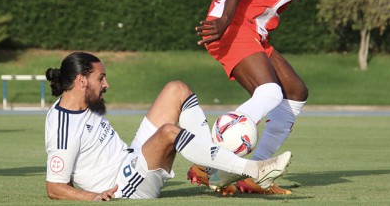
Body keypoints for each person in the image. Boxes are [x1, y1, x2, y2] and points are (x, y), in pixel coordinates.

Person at [189, 0, 360, 195]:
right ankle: (206, 165)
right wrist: (225, 19)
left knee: (295, 92)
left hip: (253, 31)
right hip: (233, 26)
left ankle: (253, 174)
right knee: (270, 93)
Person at [44, 52, 292, 200]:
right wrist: (93, 196)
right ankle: (254, 170)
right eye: (100, 78)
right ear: (81, 81)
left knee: (177, 88)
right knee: (168, 133)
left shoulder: (84, 103)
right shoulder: (62, 127)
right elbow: (54, 187)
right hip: (126, 187)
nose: (106, 84)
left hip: (132, 159)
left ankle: (211, 170)